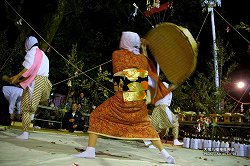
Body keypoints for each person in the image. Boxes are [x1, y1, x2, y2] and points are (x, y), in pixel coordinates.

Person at [74, 31, 174, 164]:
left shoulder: (117, 55)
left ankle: (90, 150)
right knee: (146, 126)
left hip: (121, 101)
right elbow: (143, 67)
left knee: (96, 115)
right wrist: (143, 48)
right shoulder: (143, 59)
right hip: (138, 101)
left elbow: (119, 73)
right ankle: (165, 154)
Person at [10, 36, 52, 140]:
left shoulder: (32, 52)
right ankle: (27, 128)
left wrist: (16, 77)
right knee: (32, 108)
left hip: (35, 82)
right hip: (43, 82)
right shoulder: (43, 55)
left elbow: (28, 68)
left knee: (25, 107)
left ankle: (25, 133)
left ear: (28, 44)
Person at [144, 82, 183, 148]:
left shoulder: (166, 90)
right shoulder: (164, 85)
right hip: (162, 107)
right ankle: (175, 140)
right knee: (174, 122)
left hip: (159, 107)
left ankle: (148, 141)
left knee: (154, 125)